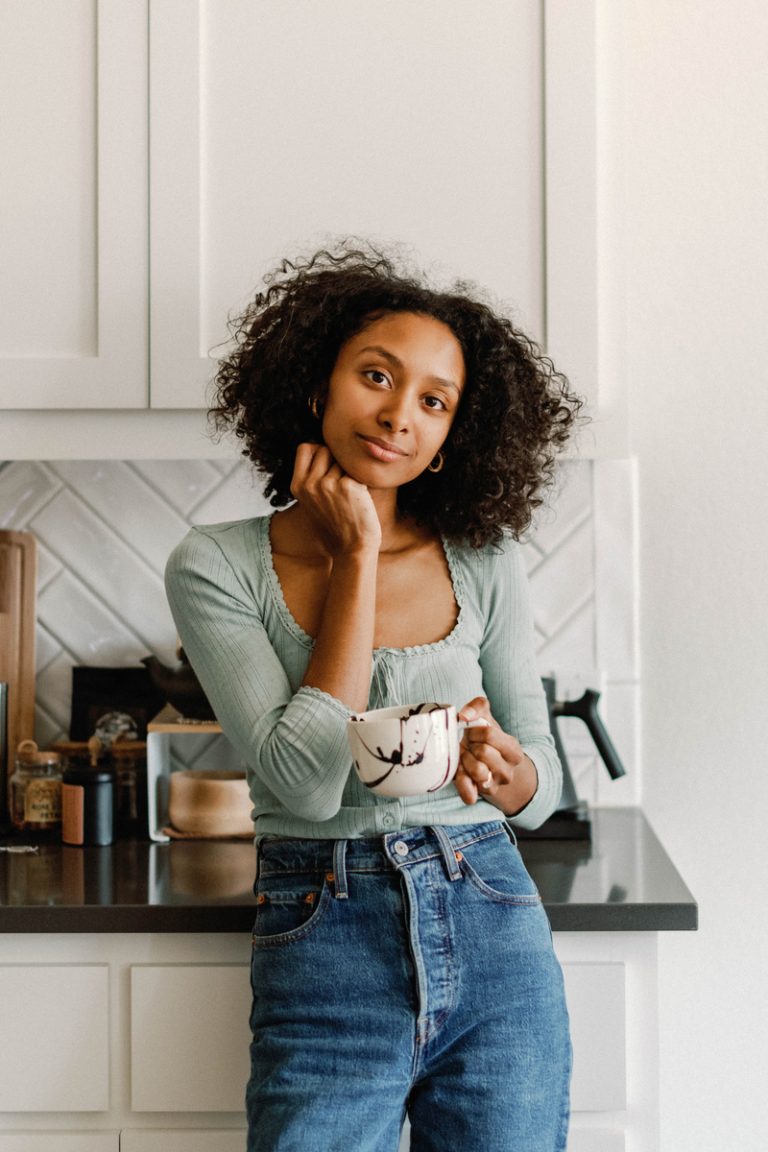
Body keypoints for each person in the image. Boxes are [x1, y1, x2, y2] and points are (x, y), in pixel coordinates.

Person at [165, 243, 582, 1152]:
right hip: (322, 936)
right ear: (317, 387)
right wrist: (354, 556)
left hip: (492, 919)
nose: (399, 414)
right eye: (377, 376)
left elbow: (545, 783)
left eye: (434, 401)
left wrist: (510, 774)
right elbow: (306, 786)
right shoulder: (217, 564)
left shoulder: (484, 559)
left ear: (451, 436)